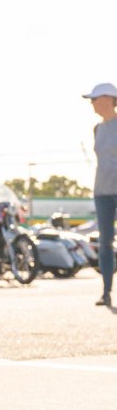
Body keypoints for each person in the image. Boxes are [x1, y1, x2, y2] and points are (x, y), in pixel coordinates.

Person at [84, 82, 117, 307]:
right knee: (105, 243)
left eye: (94, 99)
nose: (92, 104)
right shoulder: (97, 128)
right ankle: (106, 292)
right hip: (102, 192)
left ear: (107, 99)